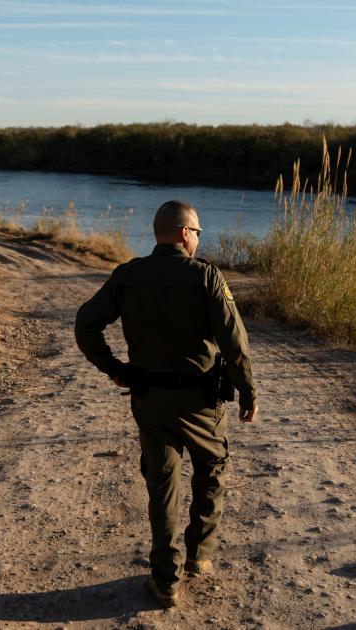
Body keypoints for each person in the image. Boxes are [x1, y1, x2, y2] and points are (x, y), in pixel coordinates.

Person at [75, 200, 258, 608]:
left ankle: (165, 580)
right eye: (197, 232)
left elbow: (85, 324)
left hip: (151, 402)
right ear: (183, 233)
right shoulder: (206, 276)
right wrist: (248, 393)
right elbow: (235, 342)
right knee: (212, 470)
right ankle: (199, 556)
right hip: (202, 405)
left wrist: (115, 369)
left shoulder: (127, 276)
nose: (197, 239)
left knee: (162, 487)